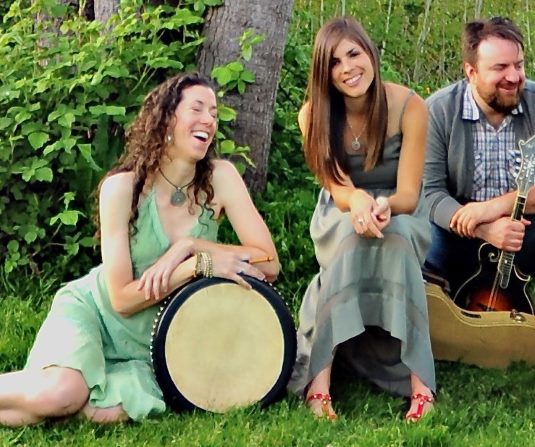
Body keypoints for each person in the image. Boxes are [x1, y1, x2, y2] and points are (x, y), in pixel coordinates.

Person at [0, 72, 281, 426]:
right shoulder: (122, 188)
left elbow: (269, 264)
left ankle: (62, 402)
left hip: (159, 343)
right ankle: (55, 392)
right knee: (60, 395)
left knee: (105, 411)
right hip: (98, 314)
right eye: (197, 108)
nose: (209, 120)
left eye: (213, 111)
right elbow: (123, 299)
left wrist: (190, 246)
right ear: (166, 119)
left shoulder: (220, 178)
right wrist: (196, 266)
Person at [287, 17, 435, 422]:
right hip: (340, 209)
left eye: (354, 54)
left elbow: (408, 193)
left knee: (398, 239)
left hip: (400, 210)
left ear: (370, 53)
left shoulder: (409, 105)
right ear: (324, 72)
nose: (348, 68)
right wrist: (359, 204)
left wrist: (382, 206)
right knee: (351, 241)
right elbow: (337, 188)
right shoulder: (312, 114)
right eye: (335, 62)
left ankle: (422, 386)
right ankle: (320, 385)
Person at [423, 17, 535, 327]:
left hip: (525, 232)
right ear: (471, 72)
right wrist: (481, 226)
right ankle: (431, 317)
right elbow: (429, 193)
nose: (514, 77)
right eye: (500, 68)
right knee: (413, 226)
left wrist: (496, 207)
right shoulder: (438, 110)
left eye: (518, 65)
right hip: (459, 234)